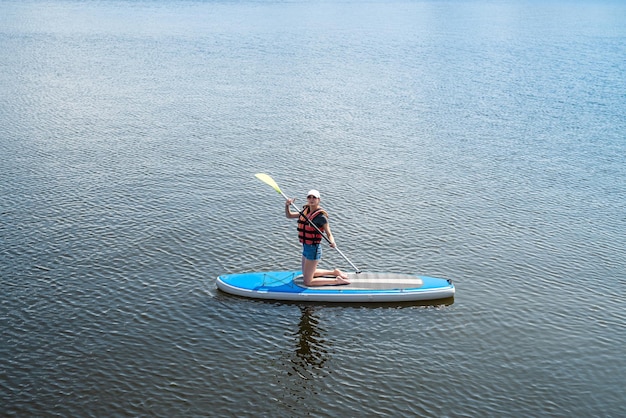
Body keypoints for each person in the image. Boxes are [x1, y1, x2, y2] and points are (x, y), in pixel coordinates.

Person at [285, 189, 350, 286]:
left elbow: (329, 233)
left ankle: (337, 281)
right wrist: (287, 205)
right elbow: (289, 216)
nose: (311, 199)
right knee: (307, 273)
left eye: (314, 197)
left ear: (318, 200)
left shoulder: (321, 217)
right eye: (309, 197)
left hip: (313, 249)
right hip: (306, 247)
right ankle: (334, 272)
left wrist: (332, 242)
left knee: (308, 282)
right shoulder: (305, 211)